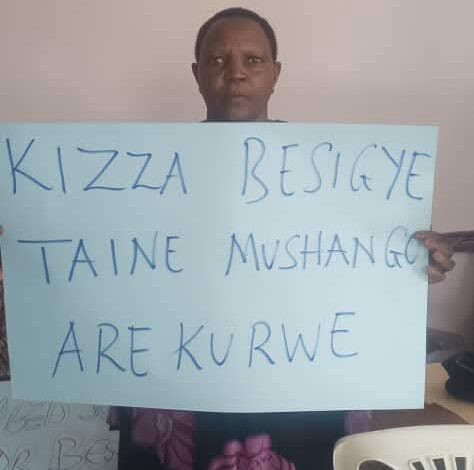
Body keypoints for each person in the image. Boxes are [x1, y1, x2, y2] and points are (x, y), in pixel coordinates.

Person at [0, 7, 464, 470]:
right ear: (197, 74)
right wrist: (24, 247)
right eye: (218, 60)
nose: (236, 73)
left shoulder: (332, 172)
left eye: (253, 60)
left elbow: (360, 263)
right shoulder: (141, 173)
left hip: (297, 382)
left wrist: (417, 264)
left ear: (275, 74)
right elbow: (98, 257)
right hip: (174, 384)